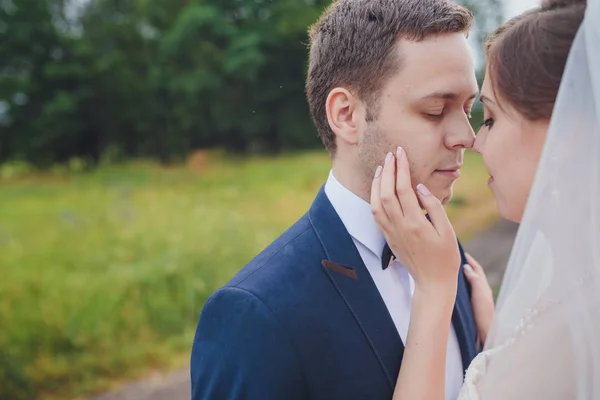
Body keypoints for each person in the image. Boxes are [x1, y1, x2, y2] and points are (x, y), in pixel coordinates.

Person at [190, 1, 483, 399]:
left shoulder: (450, 259)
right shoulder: (255, 313)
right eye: (435, 110)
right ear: (346, 115)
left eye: (469, 108)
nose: (467, 136)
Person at [372, 0, 600, 398]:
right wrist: (498, 344)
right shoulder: (569, 287)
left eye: (490, 117)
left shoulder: (579, 330)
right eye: (435, 111)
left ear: (565, 132)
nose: (474, 141)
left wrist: (434, 290)